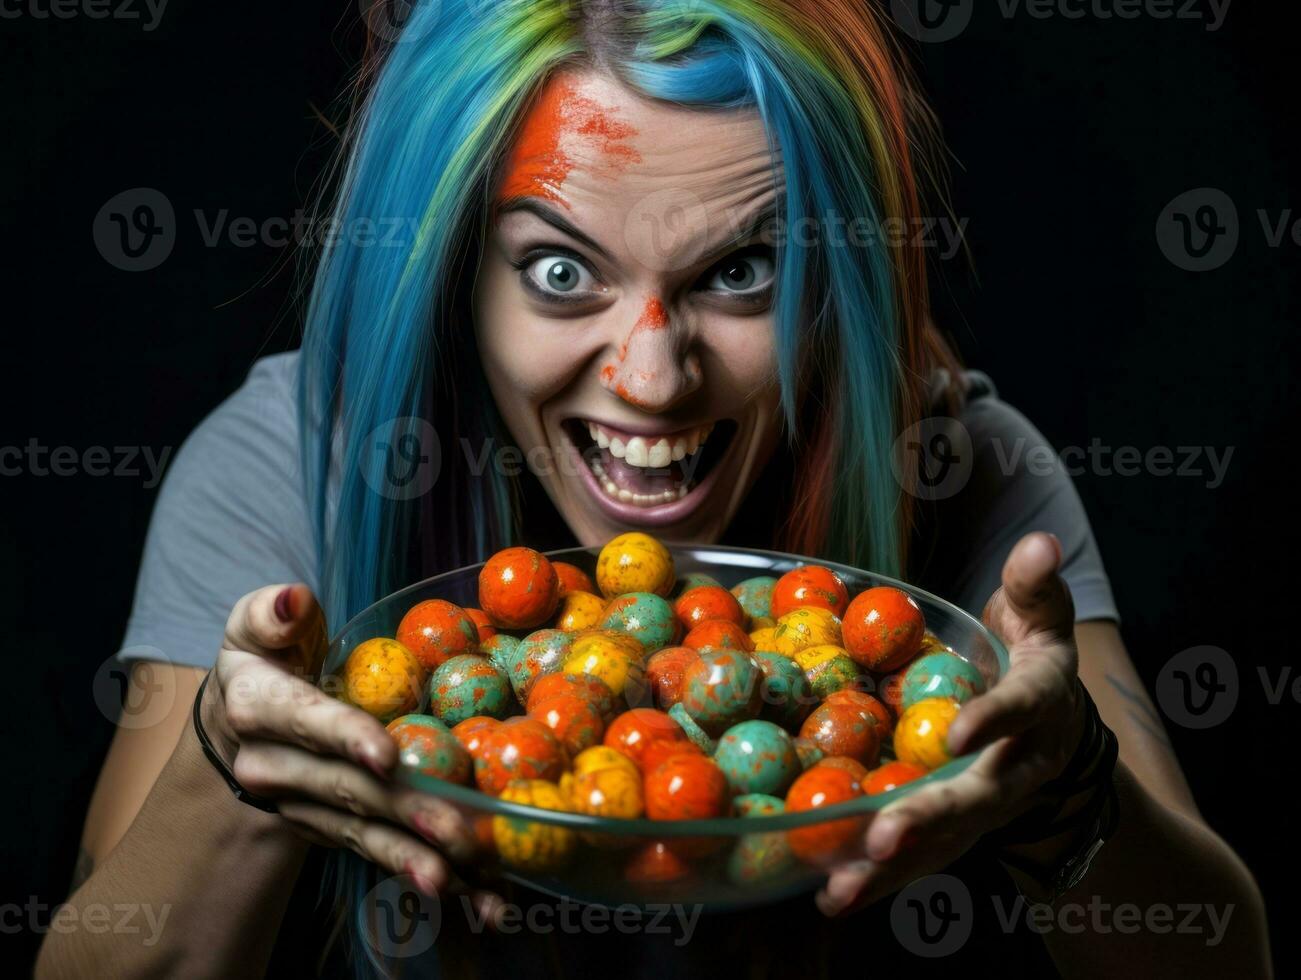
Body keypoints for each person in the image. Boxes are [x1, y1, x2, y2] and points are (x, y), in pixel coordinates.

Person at [37, 1, 1268, 977]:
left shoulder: (961, 467)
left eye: (742, 269)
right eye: (560, 268)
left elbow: (1219, 957)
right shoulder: (285, 470)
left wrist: (1066, 788)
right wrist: (242, 765)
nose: (652, 376)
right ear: (458, 273)